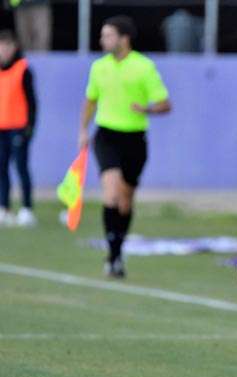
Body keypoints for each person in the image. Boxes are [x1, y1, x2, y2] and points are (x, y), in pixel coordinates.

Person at [78, 15, 171, 278]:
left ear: (124, 38)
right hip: (106, 135)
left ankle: (118, 252)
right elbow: (90, 100)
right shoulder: (99, 67)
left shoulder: (144, 67)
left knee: (125, 200)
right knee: (111, 193)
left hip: (134, 139)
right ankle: (113, 255)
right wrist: (83, 130)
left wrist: (147, 109)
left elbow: (165, 104)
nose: (102, 40)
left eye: (108, 35)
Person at [0, 29, 36, 227]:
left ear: (14, 47)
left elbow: (32, 102)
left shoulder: (23, 69)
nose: (4, 51)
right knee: (1, 168)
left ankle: (26, 208)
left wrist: (29, 127)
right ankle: (4, 208)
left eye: (7, 46)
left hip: (18, 128)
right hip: (1, 127)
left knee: (21, 167)